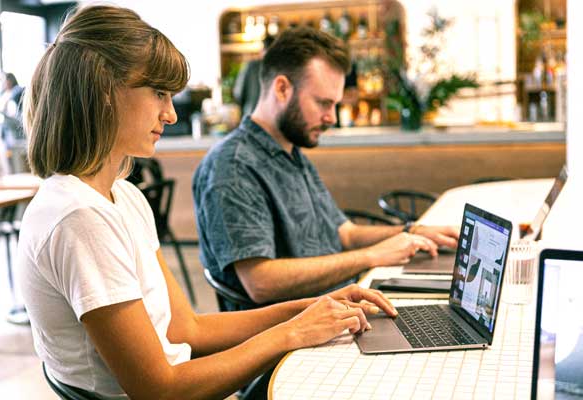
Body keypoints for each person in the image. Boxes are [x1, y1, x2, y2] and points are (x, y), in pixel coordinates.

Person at [16, 6, 397, 399]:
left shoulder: (122, 195)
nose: (170, 114)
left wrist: (313, 306)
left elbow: (188, 331)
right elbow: (158, 390)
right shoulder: (80, 217)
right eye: (159, 93)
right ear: (103, 90)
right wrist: (292, 332)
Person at [193, 27, 459, 310]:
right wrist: (371, 256)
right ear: (282, 88)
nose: (331, 117)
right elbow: (261, 282)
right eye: (323, 103)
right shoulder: (233, 166)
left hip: (339, 307)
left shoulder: (291, 152)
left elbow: (344, 233)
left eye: (335, 104)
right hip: (289, 335)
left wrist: (412, 232)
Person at [233, 35, 275, 117]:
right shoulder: (280, 67)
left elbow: (238, 93)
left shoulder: (251, 66)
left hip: (251, 116)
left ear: (262, 50)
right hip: (273, 120)